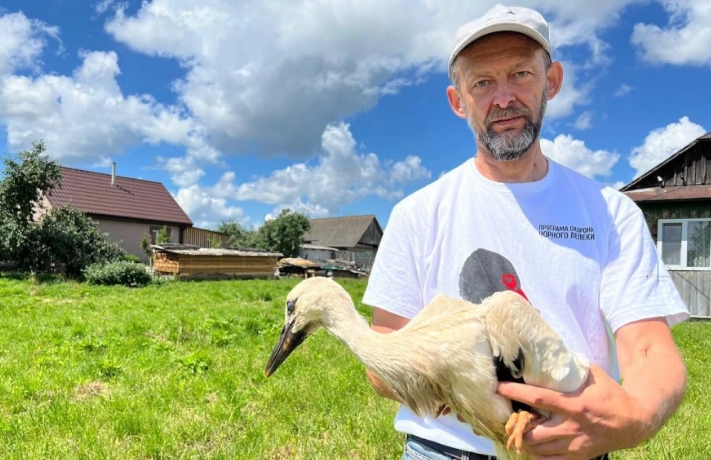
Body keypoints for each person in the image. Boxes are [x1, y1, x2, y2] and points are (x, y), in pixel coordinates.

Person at [361, 4, 689, 460]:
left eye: (520, 74)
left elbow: (650, 348)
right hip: (444, 450)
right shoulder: (417, 214)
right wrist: (470, 386)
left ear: (551, 81)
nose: (503, 98)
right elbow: (382, 362)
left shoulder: (611, 212)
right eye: (481, 82)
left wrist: (637, 417)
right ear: (458, 101)